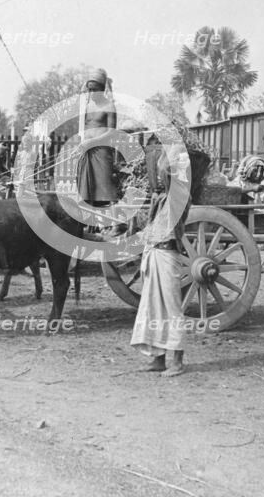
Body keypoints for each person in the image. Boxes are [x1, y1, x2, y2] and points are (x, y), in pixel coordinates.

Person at [130, 147, 192, 377]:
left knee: (172, 307)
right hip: (155, 253)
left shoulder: (179, 197)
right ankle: (158, 358)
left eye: (166, 176)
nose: (161, 180)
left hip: (167, 254)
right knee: (152, 306)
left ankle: (176, 361)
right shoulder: (162, 198)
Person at [76, 68, 118, 208]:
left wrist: (93, 142)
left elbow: (112, 132)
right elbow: (86, 128)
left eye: (95, 90)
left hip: (102, 151)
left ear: (102, 89)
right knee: (87, 188)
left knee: (105, 187)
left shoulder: (109, 106)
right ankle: (89, 222)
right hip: (87, 151)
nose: (91, 93)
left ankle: (116, 223)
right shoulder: (87, 106)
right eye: (90, 90)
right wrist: (83, 143)